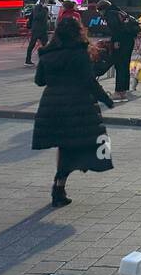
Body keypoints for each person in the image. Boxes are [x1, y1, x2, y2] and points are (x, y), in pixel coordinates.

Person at [32, 13, 114, 206]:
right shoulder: (80, 52)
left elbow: (39, 81)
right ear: (78, 32)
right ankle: (59, 186)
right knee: (77, 144)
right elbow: (89, 82)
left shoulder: (47, 53)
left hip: (51, 105)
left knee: (64, 145)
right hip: (77, 105)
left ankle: (59, 187)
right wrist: (106, 99)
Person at [97, 0, 138, 102]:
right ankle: (124, 91)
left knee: (120, 66)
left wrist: (115, 41)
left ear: (102, 9)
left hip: (121, 42)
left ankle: (118, 92)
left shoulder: (110, 14)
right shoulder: (119, 11)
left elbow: (116, 29)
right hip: (129, 41)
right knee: (125, 66)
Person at [25, 0, 52, 66]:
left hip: (43, 30)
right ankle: (28, 60)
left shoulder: (45, 8)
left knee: (45, 44)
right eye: (47, 0)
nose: (48, 1)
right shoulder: (38, 8)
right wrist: (30, 27)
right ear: (43, 1)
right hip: (36, 29)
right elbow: (37, 16)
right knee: (32, 44)